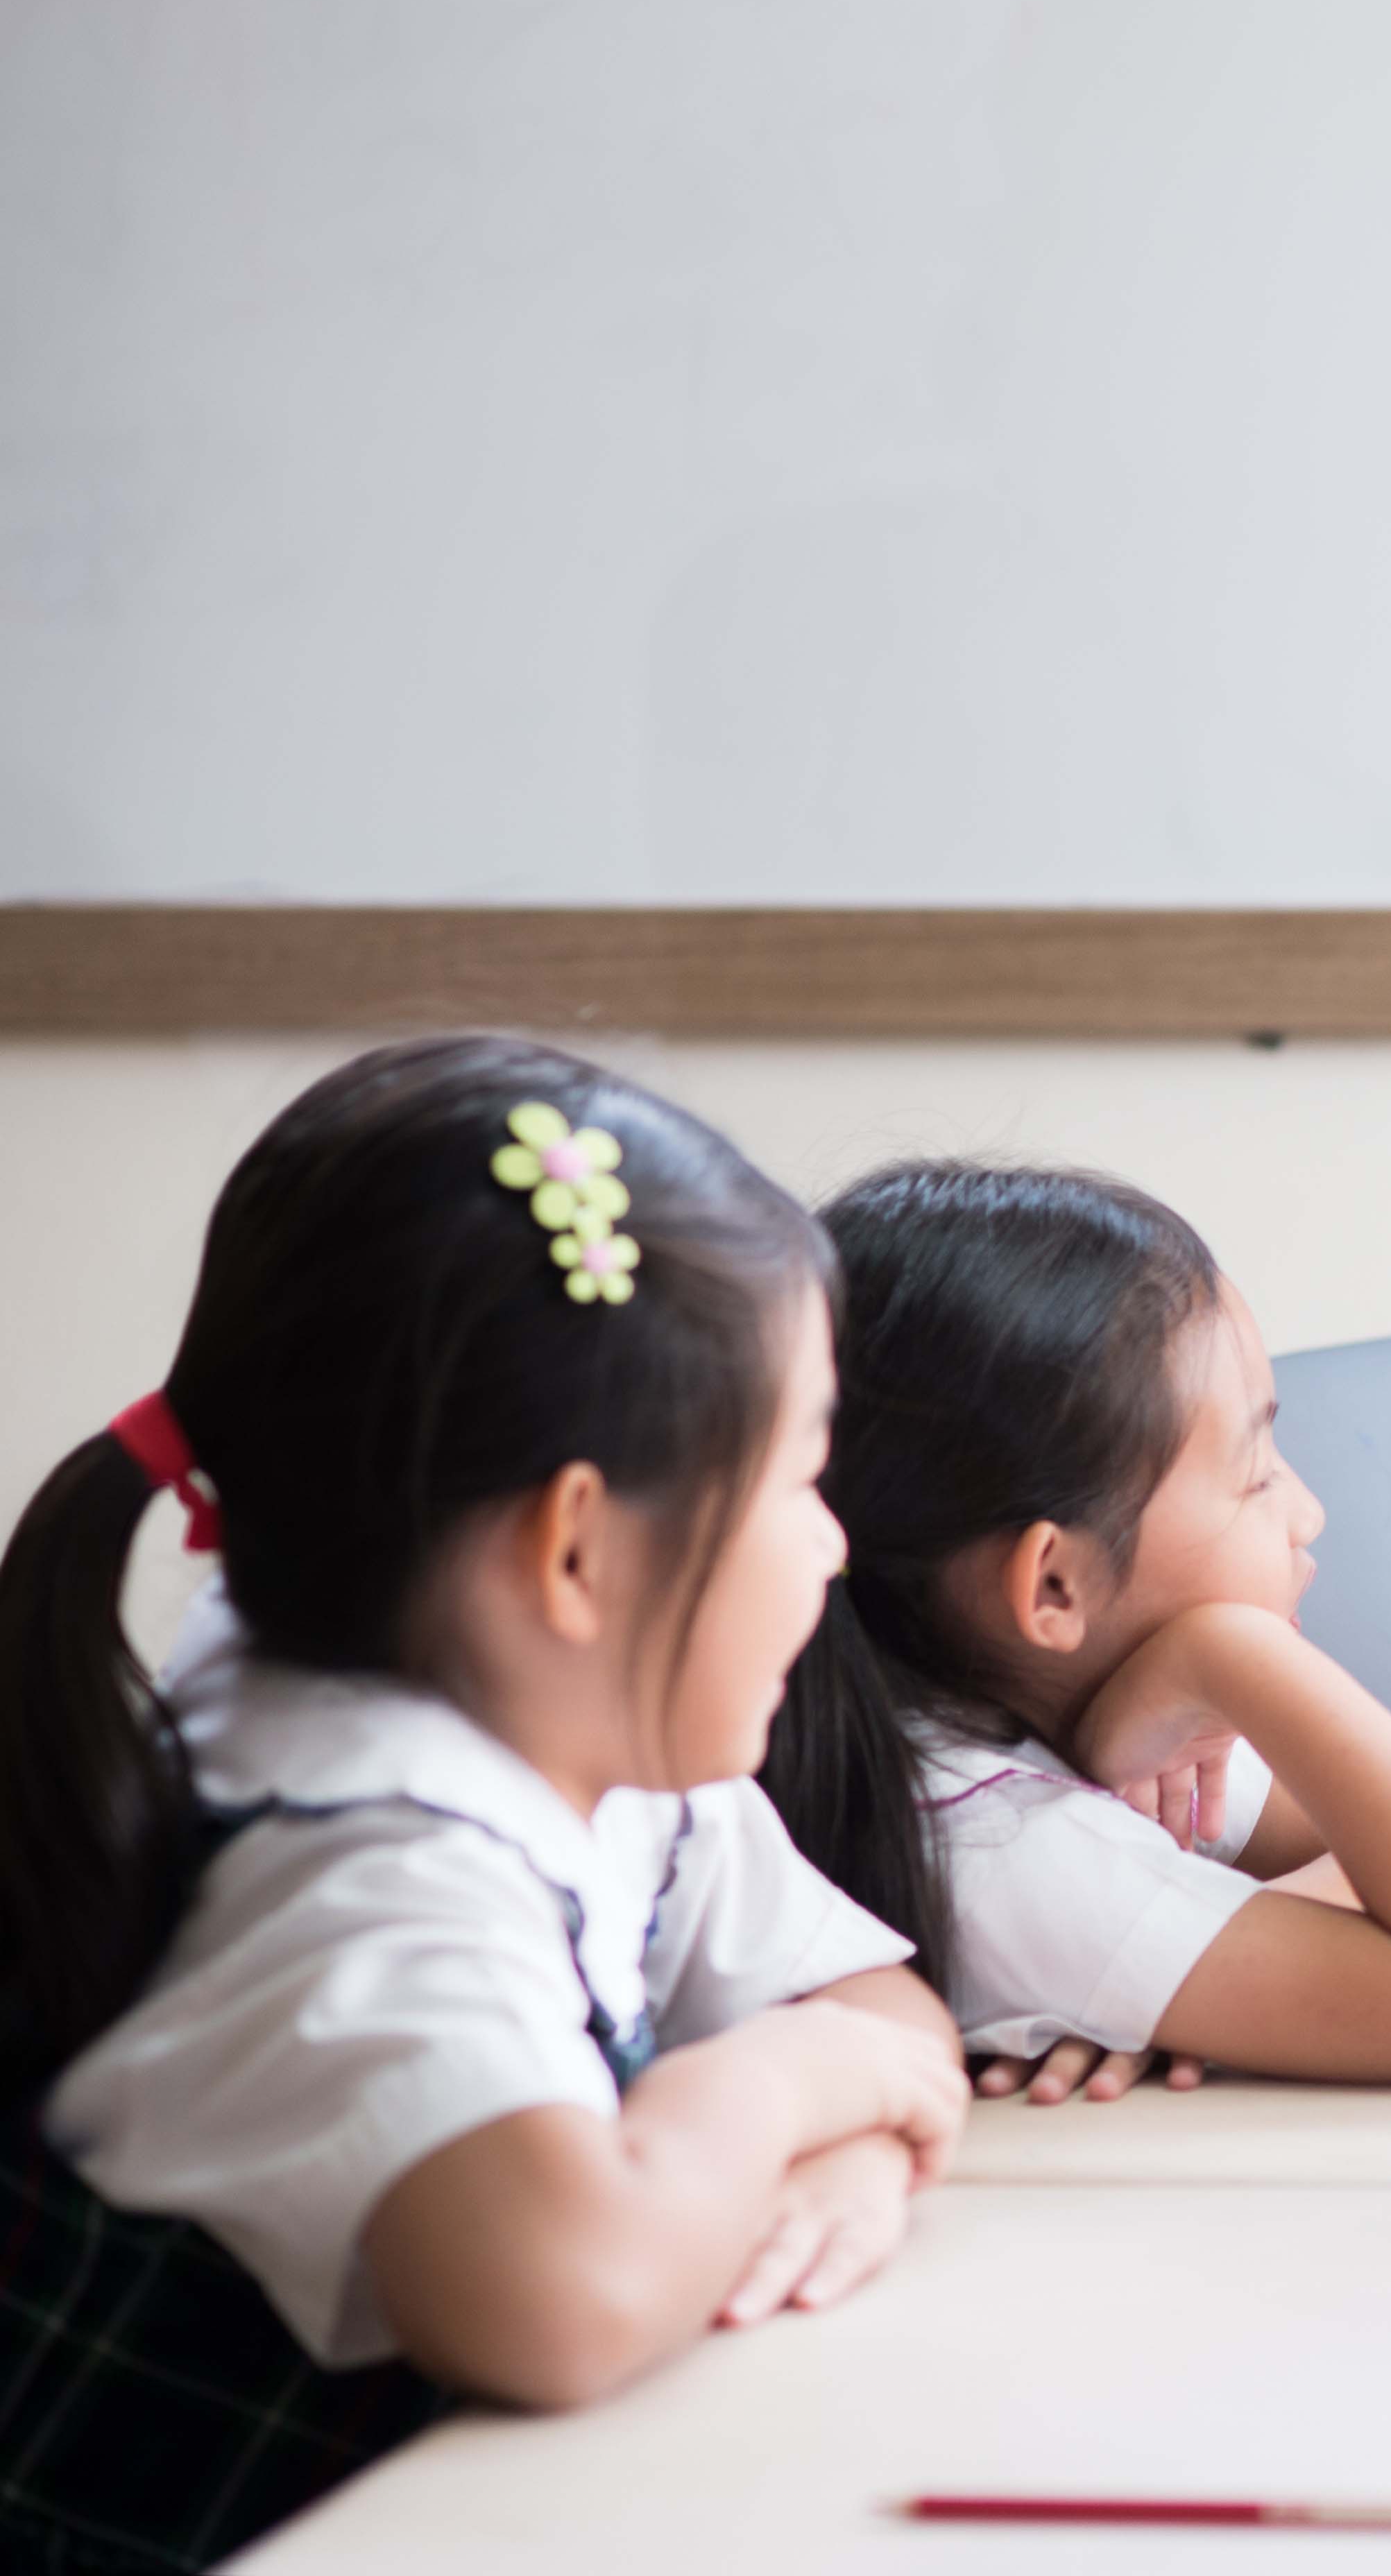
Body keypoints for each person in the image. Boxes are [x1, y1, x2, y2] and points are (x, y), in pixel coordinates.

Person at [0, 1037, 966, 2570]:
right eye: (798, 1478)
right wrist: (763, 2097)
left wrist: (840, 2145)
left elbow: (879, 2017)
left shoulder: (585, 1753)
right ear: (576, 1550)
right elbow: (566, 2299)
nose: (835, 1548)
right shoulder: (359, 1878)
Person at [758, 1162, 1391, 2100]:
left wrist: (1215, 1934)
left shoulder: (1022, 1708)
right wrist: (1234, 1654)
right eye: (1257, 1475)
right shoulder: (997, 1847)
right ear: (1054, 1583)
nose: (1309, 1512)